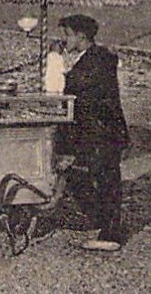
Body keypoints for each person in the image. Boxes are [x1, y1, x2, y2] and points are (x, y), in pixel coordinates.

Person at [55, 14, 129, 251]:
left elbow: (75, 90)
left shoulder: (92, 63)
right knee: (96, 178)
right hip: (104, 130)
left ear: (81, 36)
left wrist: (62, 69)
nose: (64, 39)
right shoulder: (100, 58)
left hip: (100, 132)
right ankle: (105, 225)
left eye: (68, 34)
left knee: (102, 180)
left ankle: (110, 234)